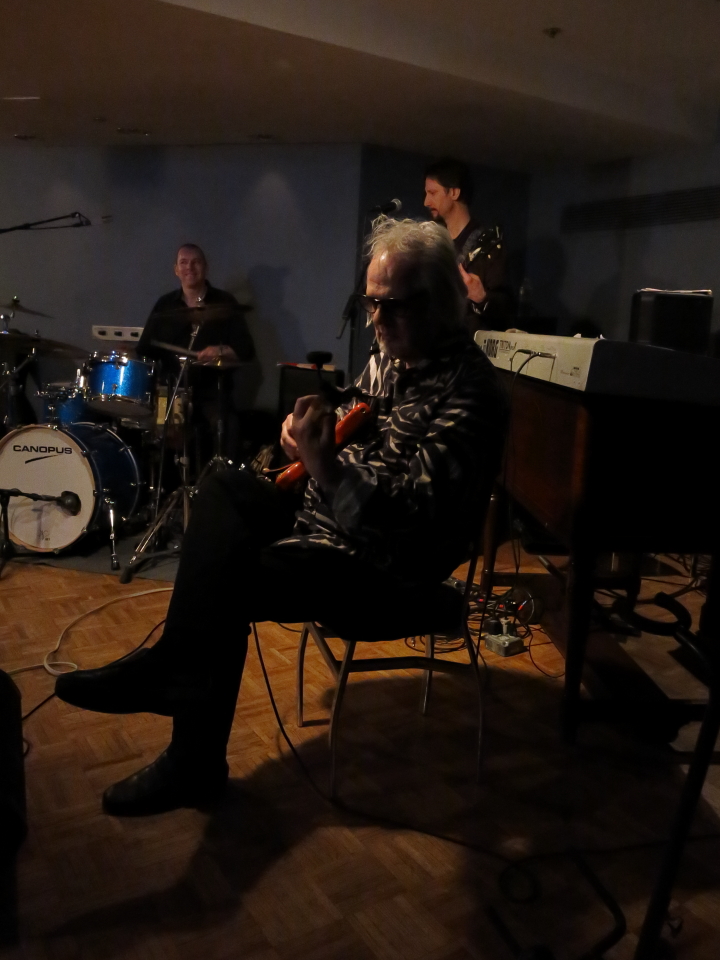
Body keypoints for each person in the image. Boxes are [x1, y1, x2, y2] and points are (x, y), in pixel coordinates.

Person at [55, 217, 507, 817]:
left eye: (391, 305)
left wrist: (328, 469)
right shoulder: (393, 353)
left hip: (386, 568)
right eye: (370, 303)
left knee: (226, 577)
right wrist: (309, 428)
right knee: (220, 487)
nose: (376, 320)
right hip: (327, 518)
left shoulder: (472, 393)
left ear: (440, 302)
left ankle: (191, 750)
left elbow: (414, 523)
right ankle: (176, 677)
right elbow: (354, 414)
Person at [137, 244, 256, 467]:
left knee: (228, 426)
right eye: (183, 262)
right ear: (176, 269)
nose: (189, 267)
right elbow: (145, 350)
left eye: (196, 262)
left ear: (205, 267)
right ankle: (163, 484)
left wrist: (220, 351)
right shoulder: (165, 305)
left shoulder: (224, 302)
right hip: (172, 390)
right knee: (146, 430)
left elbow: (246, 349)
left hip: (211, 392)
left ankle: (221, 483)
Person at [424, 157, 513, 332]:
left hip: (469, 344)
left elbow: (506, 309)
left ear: (454, 193)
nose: (426, 201)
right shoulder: (432, 243)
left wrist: (481, 297)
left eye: (432, 193)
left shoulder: (489, 245)